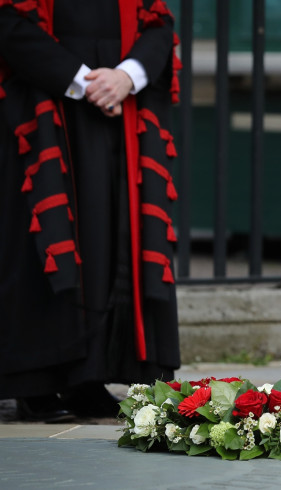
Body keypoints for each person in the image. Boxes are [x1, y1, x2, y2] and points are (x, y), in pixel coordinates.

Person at [0, 0, 181, 422]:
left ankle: (88, 378)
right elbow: (9, 24)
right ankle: (35, 383)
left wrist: (126, 76)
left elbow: (158, 24)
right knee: (43, 245)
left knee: (107, 242)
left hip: (119, 114)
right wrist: (81, 81)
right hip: (44, 111)